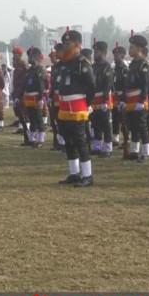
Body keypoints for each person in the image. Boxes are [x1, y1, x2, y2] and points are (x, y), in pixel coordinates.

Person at [56, 28, 96, 187]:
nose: (65, 46)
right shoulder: (64, 64)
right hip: (64, 106)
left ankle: (87, 175)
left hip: (78, 106)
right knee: (68, 140)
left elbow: (91, 86)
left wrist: (88, 104)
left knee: (80, 141)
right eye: (64, 43)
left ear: (77, 44)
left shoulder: (82, 63)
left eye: (68, 43)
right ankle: (74, 173)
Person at [119, 30, 149, 162]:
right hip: (130, 100)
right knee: (133, 126)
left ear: (139, 48)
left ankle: (146, 153)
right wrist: (123, 100)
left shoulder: (144, 64)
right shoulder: (132, 64)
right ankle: (134, 151)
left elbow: (145, 85)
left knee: (142, 126)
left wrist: (142, 100)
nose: (129, 50)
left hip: (139, 99)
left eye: (131, 47)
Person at [91, 40, 114, 157]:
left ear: (103, 52)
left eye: (97, 51)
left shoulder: (107, 67)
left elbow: (107, 85)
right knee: (96, 124)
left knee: (106, 124)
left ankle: (107, 148)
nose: (95, 54)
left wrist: (105, 100)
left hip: (104, 100)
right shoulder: (93, 67)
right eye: (94, 51)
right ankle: (97, 146)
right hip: (94, 101)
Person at [23, 47, 47, 147]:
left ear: (36, 57)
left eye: (31, 56)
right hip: (29, 97)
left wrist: (41, 98)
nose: (29, 58)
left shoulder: (39, 70)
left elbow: (42, 85)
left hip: (36, 97)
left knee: (38, 118)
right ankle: (32, 138)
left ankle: (40, 139)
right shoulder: (30, 70)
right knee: (32, 118)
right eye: (28, 56)